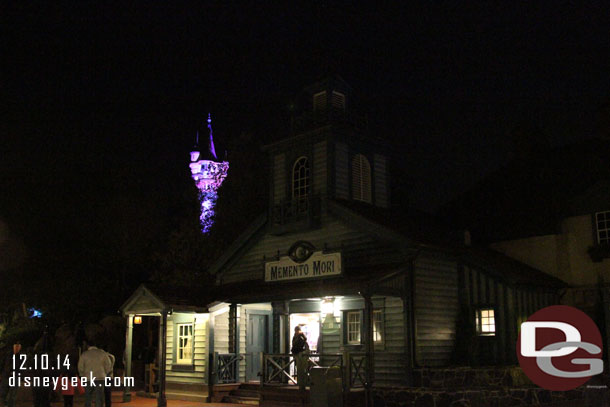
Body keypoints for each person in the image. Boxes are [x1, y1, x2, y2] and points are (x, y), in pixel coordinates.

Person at [0, 342, 22, 407]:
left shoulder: (20, 356)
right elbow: (2, 364)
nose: (17, 348)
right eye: (16, 346)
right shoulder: (8, 354)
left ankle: (10, 404)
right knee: (4, 391)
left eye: (18, 347)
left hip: (15, 375)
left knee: (13, 393)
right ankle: (5, 403)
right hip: (7, 375)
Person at [291, 325, 309, 391]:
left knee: (302, 369)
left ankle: (302, 383)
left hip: (300, 354)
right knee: (299, 369)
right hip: (297, 354)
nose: (296, 332)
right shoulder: (295, 337)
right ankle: (300, 383)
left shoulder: (300, 337)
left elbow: (302, 344)